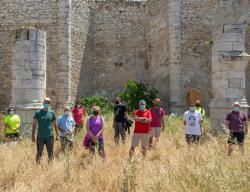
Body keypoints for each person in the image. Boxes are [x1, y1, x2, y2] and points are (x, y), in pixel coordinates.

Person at [32, 98, 59, 164]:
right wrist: (33, 135)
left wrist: (57, 134)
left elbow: (55, 124)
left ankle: (50, 166)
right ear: (43, 103)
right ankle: (37, 166)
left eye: (48, 102)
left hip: (50, 136)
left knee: (50, 153)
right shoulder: (38, 113)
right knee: (39, 152)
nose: (47, 103)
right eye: (46, 102)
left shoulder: (52, 113)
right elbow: (34, 124)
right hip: (40, 136)